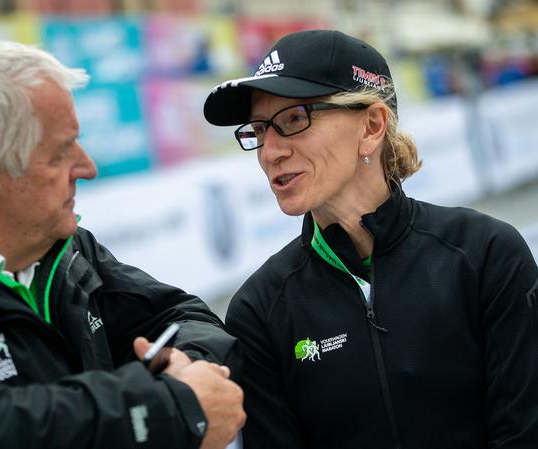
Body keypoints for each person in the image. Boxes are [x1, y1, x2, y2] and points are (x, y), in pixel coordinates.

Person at [0, 35, 245, 449]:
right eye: (60, 154)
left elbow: (184, 316)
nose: (88, 167)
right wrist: (169, 406)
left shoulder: (60, 246)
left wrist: (189, 372)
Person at [203, 29, 538, 449]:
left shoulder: (486, 255)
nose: (270, 152)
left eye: (293, 120)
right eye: (258, 129)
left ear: (372, 126)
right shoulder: (259, 311)